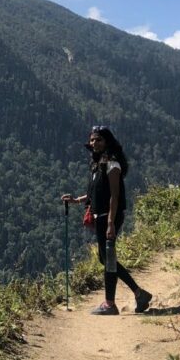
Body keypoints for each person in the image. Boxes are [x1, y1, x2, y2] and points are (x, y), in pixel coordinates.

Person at [60, 126, 152, 315]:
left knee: (108, 258)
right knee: (106, 258)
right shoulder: (98, 165)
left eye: (98, 140)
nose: (94, 143)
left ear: (107, 141)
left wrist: (110, 223)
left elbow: (114, 196)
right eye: (92, 140)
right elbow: (97, 191)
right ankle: (138, 293)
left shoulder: (112, 165)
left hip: (109, 216)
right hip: (101, 216)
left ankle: (111, 304)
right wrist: (77, 200)